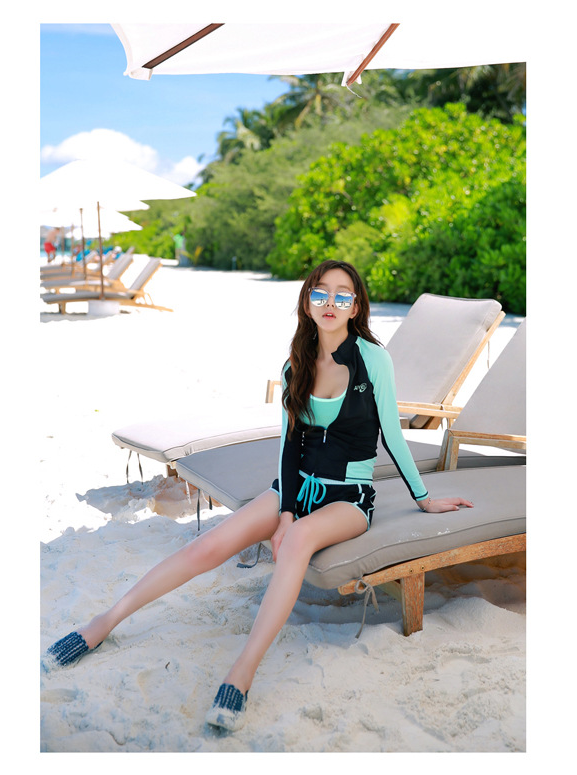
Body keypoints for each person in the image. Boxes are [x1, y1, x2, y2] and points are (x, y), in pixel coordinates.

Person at [44, 259, 473, 732]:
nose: (330, 302)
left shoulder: (374, 359)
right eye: (321, 293)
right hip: (293, 488)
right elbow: (289, 446)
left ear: (356, 307)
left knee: (297, 541)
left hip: (348, 499)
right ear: (307, 302)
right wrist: (286, 511)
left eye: (343, 295)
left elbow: (392, 433)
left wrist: (424, 497)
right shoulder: (295, 364)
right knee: (208, 546)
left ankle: (242, 672)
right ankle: (104, 622)